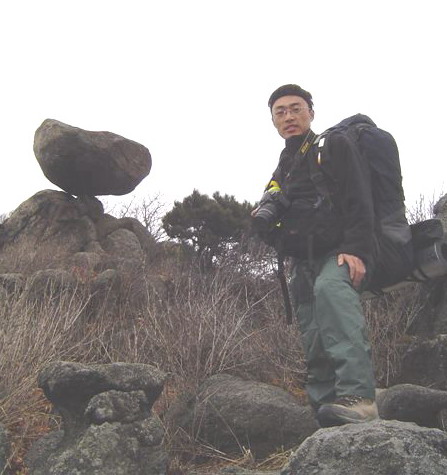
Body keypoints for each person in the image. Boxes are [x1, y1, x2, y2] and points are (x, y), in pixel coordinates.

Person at [258, 84, 379, 427]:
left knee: (331, 293)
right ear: (273, 121)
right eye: (280, 112)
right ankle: (325, 408)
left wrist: (356, 250)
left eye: (296, 108)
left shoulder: (333, 144)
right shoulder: (285, 165)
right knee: (312, 329)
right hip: (304, 260)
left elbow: (360, 197)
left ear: (311, 112)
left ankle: (360, 399)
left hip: (340, 251)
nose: (289, 116)